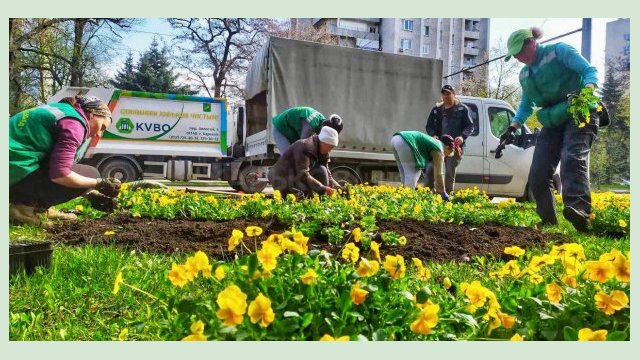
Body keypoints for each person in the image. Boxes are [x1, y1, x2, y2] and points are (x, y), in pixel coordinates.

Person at [501, 27, 599, 232]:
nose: (518, 57)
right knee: (538, 172)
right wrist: (513, 127)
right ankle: (548, 221)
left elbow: (589, 71)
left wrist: (587, 90)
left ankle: (579, 210)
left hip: (579, 110)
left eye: (520, 51)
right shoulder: (525, 74)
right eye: (515, 55)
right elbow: (526, 105)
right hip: (553, 120)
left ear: (532, 43)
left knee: (572, 157)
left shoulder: (559, 51)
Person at [9, 95, 122, 227]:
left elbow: (50, 162)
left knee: (74, 169)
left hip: (13, 169)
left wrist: (89, 193)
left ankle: (38, 208)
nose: (99, 134)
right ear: (92, 115)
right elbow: (60, 175)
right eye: (102, 127)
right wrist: (99, 183)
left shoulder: (61, 110)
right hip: (13, 172)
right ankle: (21, 210)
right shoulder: (74, 124)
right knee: (91, 173)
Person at [425, 84, 475, 193]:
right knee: (430, 170)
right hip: (438, 146)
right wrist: (433, 135)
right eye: (443, 93)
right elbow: (429, 126)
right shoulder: (436, 109)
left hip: (454, 147)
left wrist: (462, 137)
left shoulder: (462, 109)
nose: (445, 96)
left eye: (448, 93)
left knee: (448, 173)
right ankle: (427, 196)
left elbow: (470, 126)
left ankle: (447, 197)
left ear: (454, 94)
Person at [268, 126, 343, 198]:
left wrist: (336, 185)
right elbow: (303, 174)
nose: (330, 150)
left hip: (296, 176)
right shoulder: (304, 146)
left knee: (322, 169)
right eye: (330, 147)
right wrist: (323, 188)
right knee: (304, 200)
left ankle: (323, 198)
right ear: (323, 142)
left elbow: (326, 169)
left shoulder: (323, 150)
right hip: (281, 177)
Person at [391, 131, 455, 200]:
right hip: (406, 140)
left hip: (396, 139)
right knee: (414, 173)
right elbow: (439, 174)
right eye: (447, 154)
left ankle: (401, 197)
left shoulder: (434, 142)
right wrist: (442, 193)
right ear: (448, 148)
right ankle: (407, 199)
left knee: (404, 174)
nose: (445, 156)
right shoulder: (439, 148)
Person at [272, 106, 343, 154]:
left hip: (292, 131)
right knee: (288, 155)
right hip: (280, 128)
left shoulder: (321, 121)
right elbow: (301, 145)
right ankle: (279, 175)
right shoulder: (310, 125)